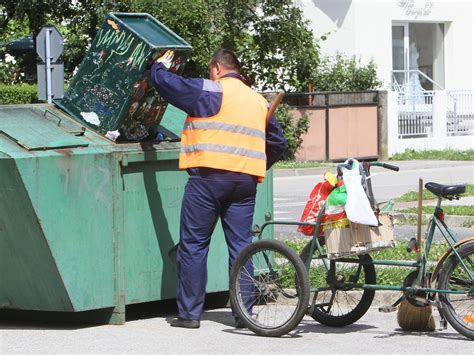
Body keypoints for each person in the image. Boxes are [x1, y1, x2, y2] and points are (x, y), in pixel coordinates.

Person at [149, 49, 287, 329]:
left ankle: (189, 315)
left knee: (194, 246)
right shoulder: (258, 101)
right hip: (244, 183)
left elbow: (168, 85)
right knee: (241, 247)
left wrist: (157, 67)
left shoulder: (211, 91)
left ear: (216, 68)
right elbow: (278, 143)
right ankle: (243, 314)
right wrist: (255, 163)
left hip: (207, 180)